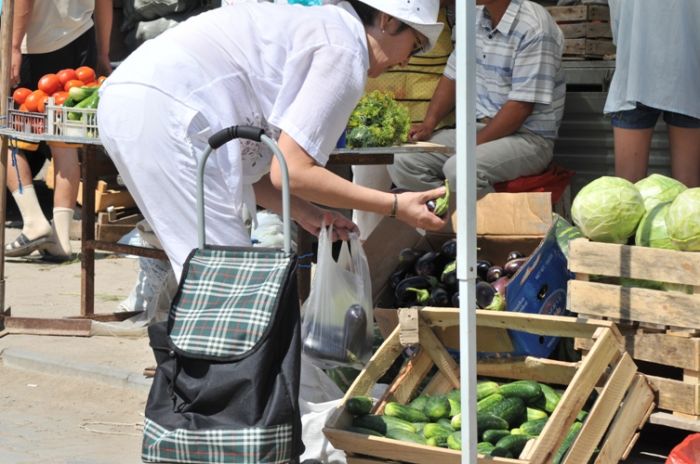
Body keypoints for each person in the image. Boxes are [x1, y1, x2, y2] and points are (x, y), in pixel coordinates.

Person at [97, 0, 447, 281]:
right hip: (168, 111)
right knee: (226, 280)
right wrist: (395, 206)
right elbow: (293, 172)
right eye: (413, 47)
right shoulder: (345, 50)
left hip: (139, 100)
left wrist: (306, 213)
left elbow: (264, 168)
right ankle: (213, 367)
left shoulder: (324, 28)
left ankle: (195, 365)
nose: (406, 61)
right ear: (386, 20)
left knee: (212, 272)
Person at [388, 0, 566, 200]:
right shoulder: (474, 16)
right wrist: (429, 123)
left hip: (529, 139)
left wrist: (471, 145)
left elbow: (521, 106)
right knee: (402, 160)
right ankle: (445, 225)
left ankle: (481, 228)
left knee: (460, 169)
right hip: (477, 129)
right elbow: (453, 76)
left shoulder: (535, 26)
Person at [5, 0, 112, 260]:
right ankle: (61, 240)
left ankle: (33, 222)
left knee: (7, 134)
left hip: (37, 44)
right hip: (81, 40)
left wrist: (14, 46)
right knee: (64, 141)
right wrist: (103, 53)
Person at [605, 0, 700, 188]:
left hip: (636, 70)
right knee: (689, 188)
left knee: (627, 188)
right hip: (687, 73)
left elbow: (616, 22)